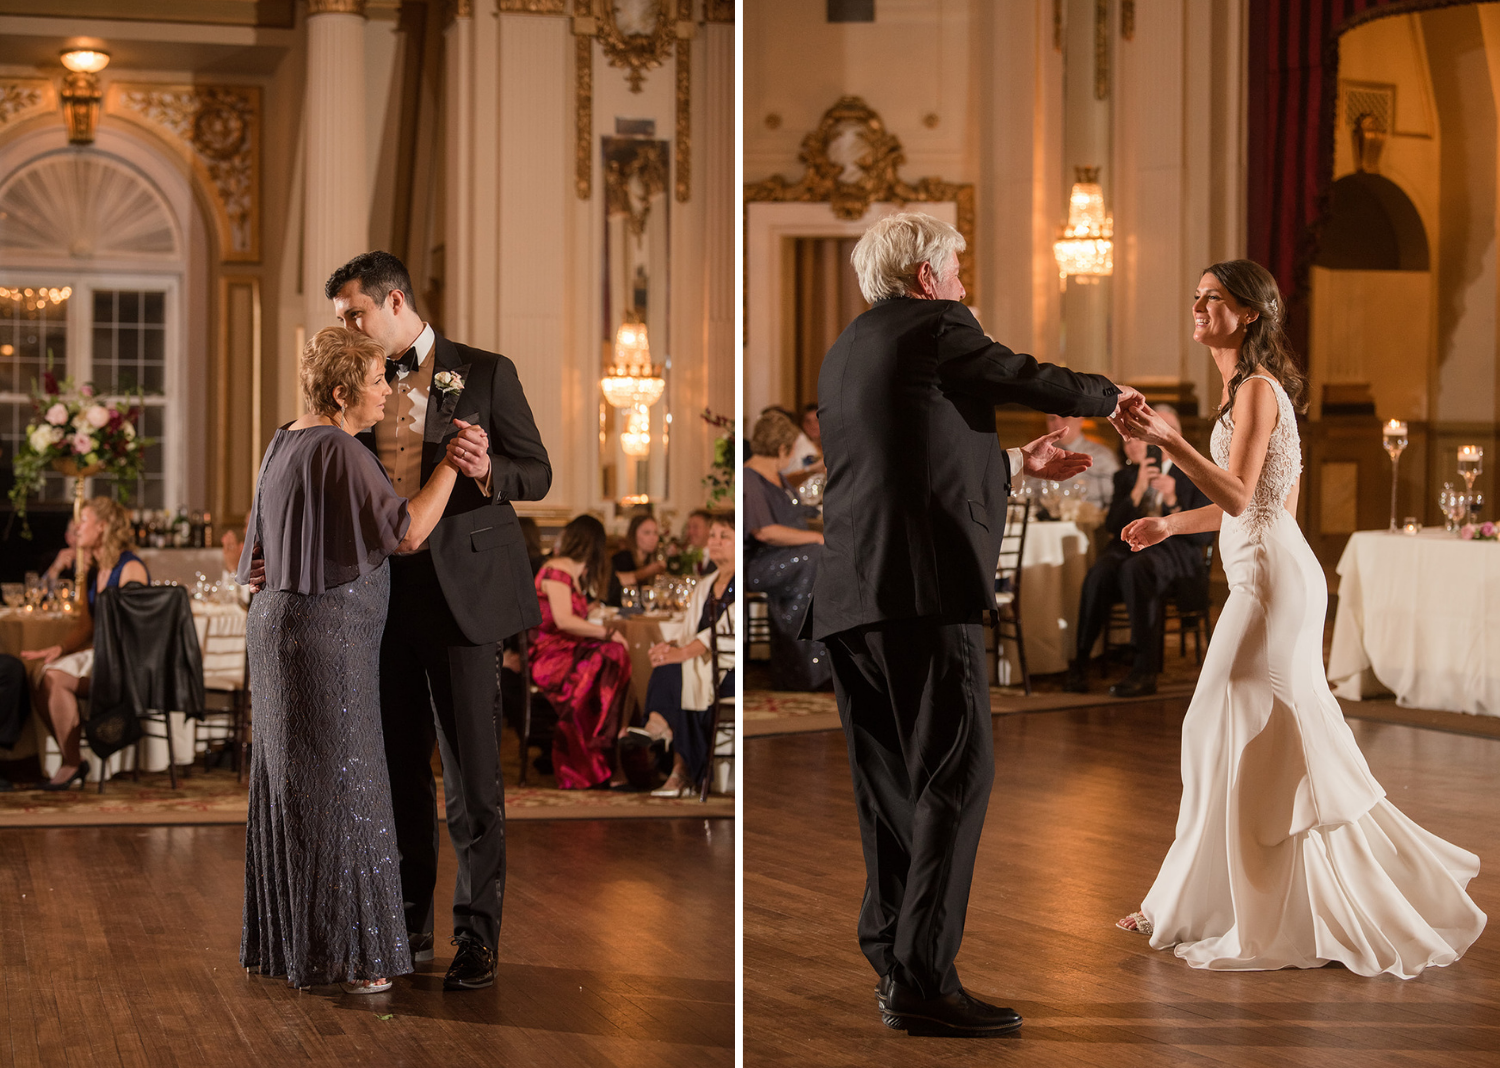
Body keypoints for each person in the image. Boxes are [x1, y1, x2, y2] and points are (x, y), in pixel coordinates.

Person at [805, 211, 1137, 1037]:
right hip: (919, 594)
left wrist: (1017, 466)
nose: (963, 287)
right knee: (958, 775)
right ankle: (921, 979)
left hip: (850, 598)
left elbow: (909, 465)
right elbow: (1021, 375)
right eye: (956, 272)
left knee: (891, 788)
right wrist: (1110, 398)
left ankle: (891, 950)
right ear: (926, 279)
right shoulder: (937, 323)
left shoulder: (848, 347)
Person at [1113, 259, 1484, 977]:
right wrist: (1169, 526)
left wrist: (1170, 440)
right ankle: (1201, 900)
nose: (1196, 306)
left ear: (1249, 313)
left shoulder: (1257, 390)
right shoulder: (1237, 393)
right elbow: (1256, 505)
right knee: (1240, 728)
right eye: (1194, 296)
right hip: (1267, 569)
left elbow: (1241, 494)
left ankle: (1251, 904)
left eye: (1212, 298)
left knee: (1231, 722)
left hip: (1275, 580)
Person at [328, 250, 551, 992]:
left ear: (396, 304)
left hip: (464, 597)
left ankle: (477, 937)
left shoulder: (485, 371)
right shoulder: (356, 386)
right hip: (381, 595)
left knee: (473, 778)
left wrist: (488, 468)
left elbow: (538, 472)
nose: (350, 330)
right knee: (398, 771)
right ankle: (407, 922)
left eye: (356, 315)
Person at [238, 326, 464, 993]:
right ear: (341, 393)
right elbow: (409, 531)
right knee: (348, 790)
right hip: (328, 636)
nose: (387, 390)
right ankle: (354, 957)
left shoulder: (283, 439)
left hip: (277, 626)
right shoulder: (340, 448)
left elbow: (254, 555)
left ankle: (293, 947)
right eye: (374, 381)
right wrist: (450, 462)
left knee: (293, 792)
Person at [1064, 404, 1212, 698]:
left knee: (1138, 569)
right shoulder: (1127, 477)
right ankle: (1080, 661)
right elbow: (1113, 526)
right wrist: (1138, 488)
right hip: (1131, 549)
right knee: (1101, 571)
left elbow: (1203, 536)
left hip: (1175, 553)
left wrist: (1171, 500)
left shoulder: (1194, 473)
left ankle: (1145, 670)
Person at [21, 498, 150, 790]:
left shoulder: (130, 569)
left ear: (102, 528)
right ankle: (73, 758)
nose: (77, 527)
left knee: (54, 678)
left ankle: (70, 764)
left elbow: (137, 632)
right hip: (100, 654)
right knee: (39, 673)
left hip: (124, 662)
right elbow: (86, 626)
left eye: (85, 520)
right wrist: (61, 649)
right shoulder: (95, 571)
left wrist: (94, 653)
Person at [633, 512, 736, 797]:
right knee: (674, 666)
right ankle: (675, 761)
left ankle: (669, 746)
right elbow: (688, 629)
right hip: (701, 662)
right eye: (712, 535)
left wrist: (682, 653)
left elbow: (726, 631)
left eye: (724, 536)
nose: (715, 542)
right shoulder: (707, 583)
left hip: (729, 667)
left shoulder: (742, 581)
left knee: (681, 670)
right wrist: (670, 647)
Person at [529, 515, 632, 789]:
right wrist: (607, 632)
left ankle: (610, 744)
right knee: (612, 653)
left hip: (568, 650)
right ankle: (603, 745)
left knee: (614, 657)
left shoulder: (571, 572)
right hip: (550, 657)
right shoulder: (557, 570)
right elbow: (563, 620)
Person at [744, 410, 830, 691]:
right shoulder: (749, 478)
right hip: (760, 564)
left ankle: (824, 666)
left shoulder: (775, 476)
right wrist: (814, 538)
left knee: (825, 558)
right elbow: (764, 531)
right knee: (815, 556)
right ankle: (805, 671)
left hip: (785, 559)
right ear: (782, 448)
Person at [1022, 414, 1119, 510]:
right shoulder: (1037, 456)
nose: (1057, 423)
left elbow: (1113, 503)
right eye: (1052, 418)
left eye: (1064, 417)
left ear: (1080, 419)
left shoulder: (1101, 456)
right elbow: (1026, 496)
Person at [612, 513, 666, 589]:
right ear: (634, 535)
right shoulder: (622, 558)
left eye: (655, 533)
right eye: (647, 533)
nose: (653, 538)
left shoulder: (653, 558)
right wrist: (648, 571)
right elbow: (614, 581)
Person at [780, 402, 825, 490]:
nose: (812, 426)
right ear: (801, 424)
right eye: (808, 421)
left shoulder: (832, 445)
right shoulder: (795, 447)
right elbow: (784, 480)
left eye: (817, 420)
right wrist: (811, 469)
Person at [43, 518, 78, 589]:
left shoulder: (97, 562)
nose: (79, 538)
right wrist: (55, 569)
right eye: (76, 533)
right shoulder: (51, 558)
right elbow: (40, 592)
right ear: (67, 537)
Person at [682, 509, 717, 576]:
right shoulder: (686, 556)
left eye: (695, 527)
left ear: (709, 529)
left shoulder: (718, 557)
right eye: (688, 527)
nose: (690, 532)